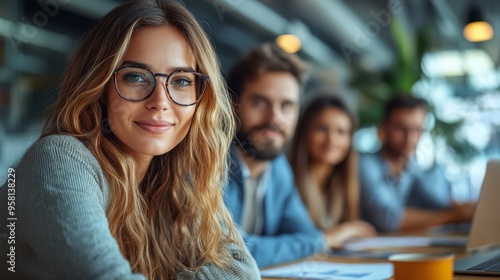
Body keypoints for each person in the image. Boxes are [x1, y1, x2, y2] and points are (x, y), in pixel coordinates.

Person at [0, 1, 259, 279]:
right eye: (135, 77)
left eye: (181, 80)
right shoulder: (58, 160)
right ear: (98, 87)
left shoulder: (180, 177)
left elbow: (242, 270)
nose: (160, 102)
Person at [224, 44, 338, 268]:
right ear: (233, 105)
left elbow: (304, 231)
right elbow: (227, 253)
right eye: (260, 102)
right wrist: (323, 240)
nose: (274, 118)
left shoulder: (278, 167)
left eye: (286, 106)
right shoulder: (206, 164)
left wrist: (315, 240)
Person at [359, 94, 475, 232]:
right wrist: (454, 216)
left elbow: (438, 202)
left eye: (417, 130)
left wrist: (468, 209)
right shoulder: (365, 164)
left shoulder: (408, 166)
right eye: (401, 128)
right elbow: (387, 218)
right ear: (383, 128)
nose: (410, 138)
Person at [289, 95, 376, 247]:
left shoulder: (342, 185)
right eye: (321, 129)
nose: (332, 140)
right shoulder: (286, 179)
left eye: (341, 132)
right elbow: (297, 240)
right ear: (304, 132)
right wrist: (343, 231)